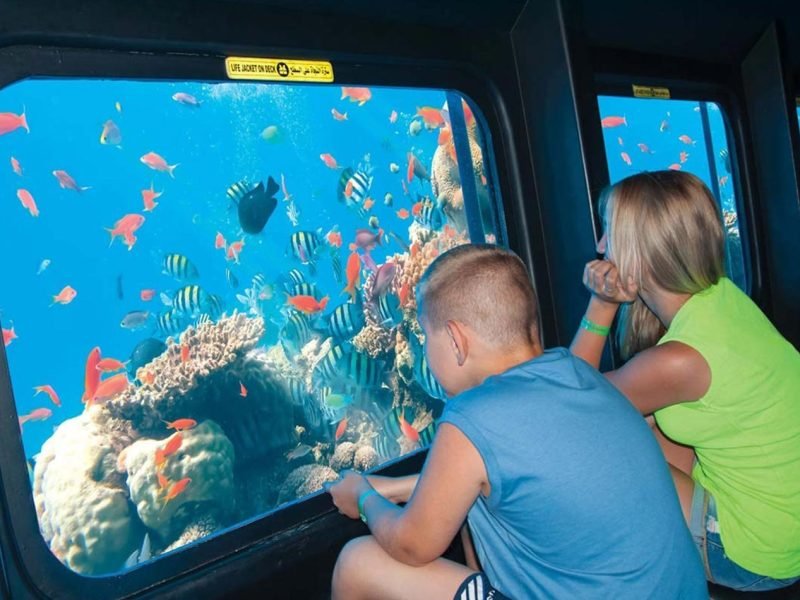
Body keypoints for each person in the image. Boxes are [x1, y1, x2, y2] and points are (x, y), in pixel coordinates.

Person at [326, 243, 706, 599]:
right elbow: (519, 471)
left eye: (426, 336)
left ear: (456, 340)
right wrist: (393, 489)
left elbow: (412, 544)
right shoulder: (580, 374)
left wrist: (363, 499)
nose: (426, 350)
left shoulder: (472, 418)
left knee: (358, 562)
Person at [571, 170, 800, 592]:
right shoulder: (723, 297)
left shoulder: (679, 361)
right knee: (637, 421)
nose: (600, 247)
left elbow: (572, 405)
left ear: (641, 252)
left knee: (603, 449)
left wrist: (602, 303)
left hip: (760, 551)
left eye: (610, 233)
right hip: (788, 520)